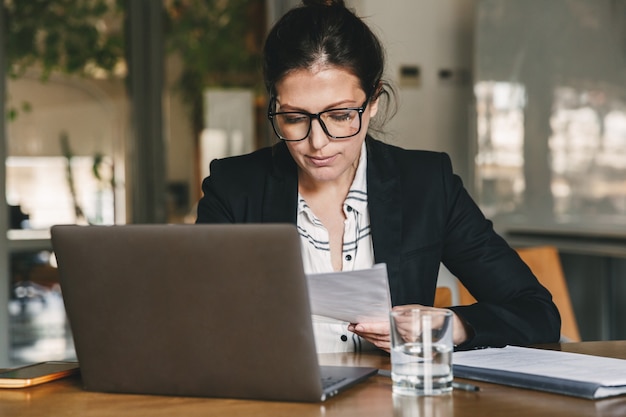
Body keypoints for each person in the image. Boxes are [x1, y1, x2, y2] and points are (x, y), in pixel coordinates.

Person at [196, 0, 561, 353]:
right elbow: (195, 322)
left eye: (340, 116)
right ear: (274, 106)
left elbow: (536, 311)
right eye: (294, 118)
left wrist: (447, 327)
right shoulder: (233, 188)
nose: (318, 143)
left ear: (373, 103)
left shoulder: (428, 185)